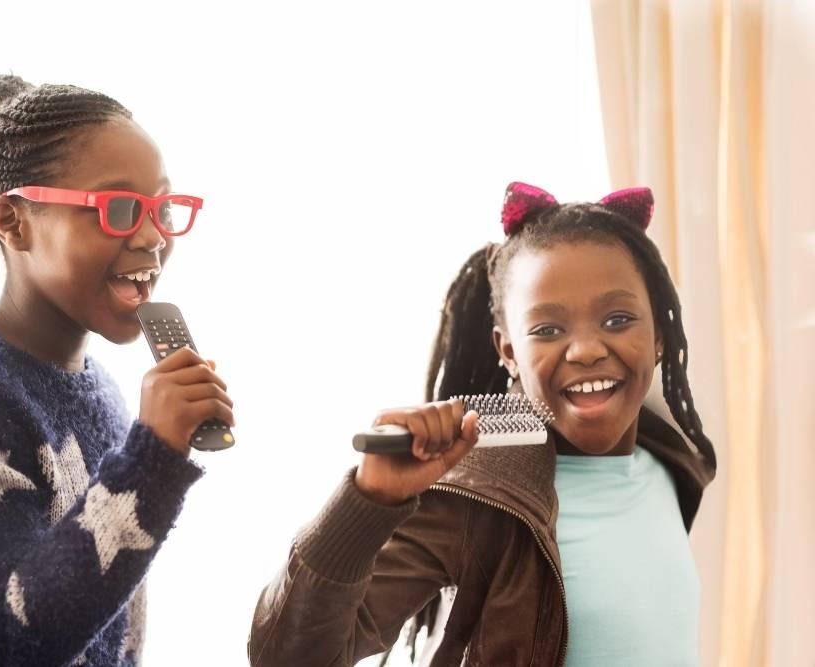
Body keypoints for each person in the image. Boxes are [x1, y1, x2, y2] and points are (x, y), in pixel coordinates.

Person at [0, 75, 234, 666]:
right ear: (12, 221)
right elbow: (1, 643)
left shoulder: (101, 393)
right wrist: (152, 458)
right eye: (120, 209)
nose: (153, 236)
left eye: (162, 208)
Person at [249, 182, 716, 666]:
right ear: (509, 352)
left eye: (618, 319)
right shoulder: (478, 497)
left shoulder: (672, 458)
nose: (586, 350)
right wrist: (369, 501)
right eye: (547, 330)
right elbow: (290, 659)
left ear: (659, 333)